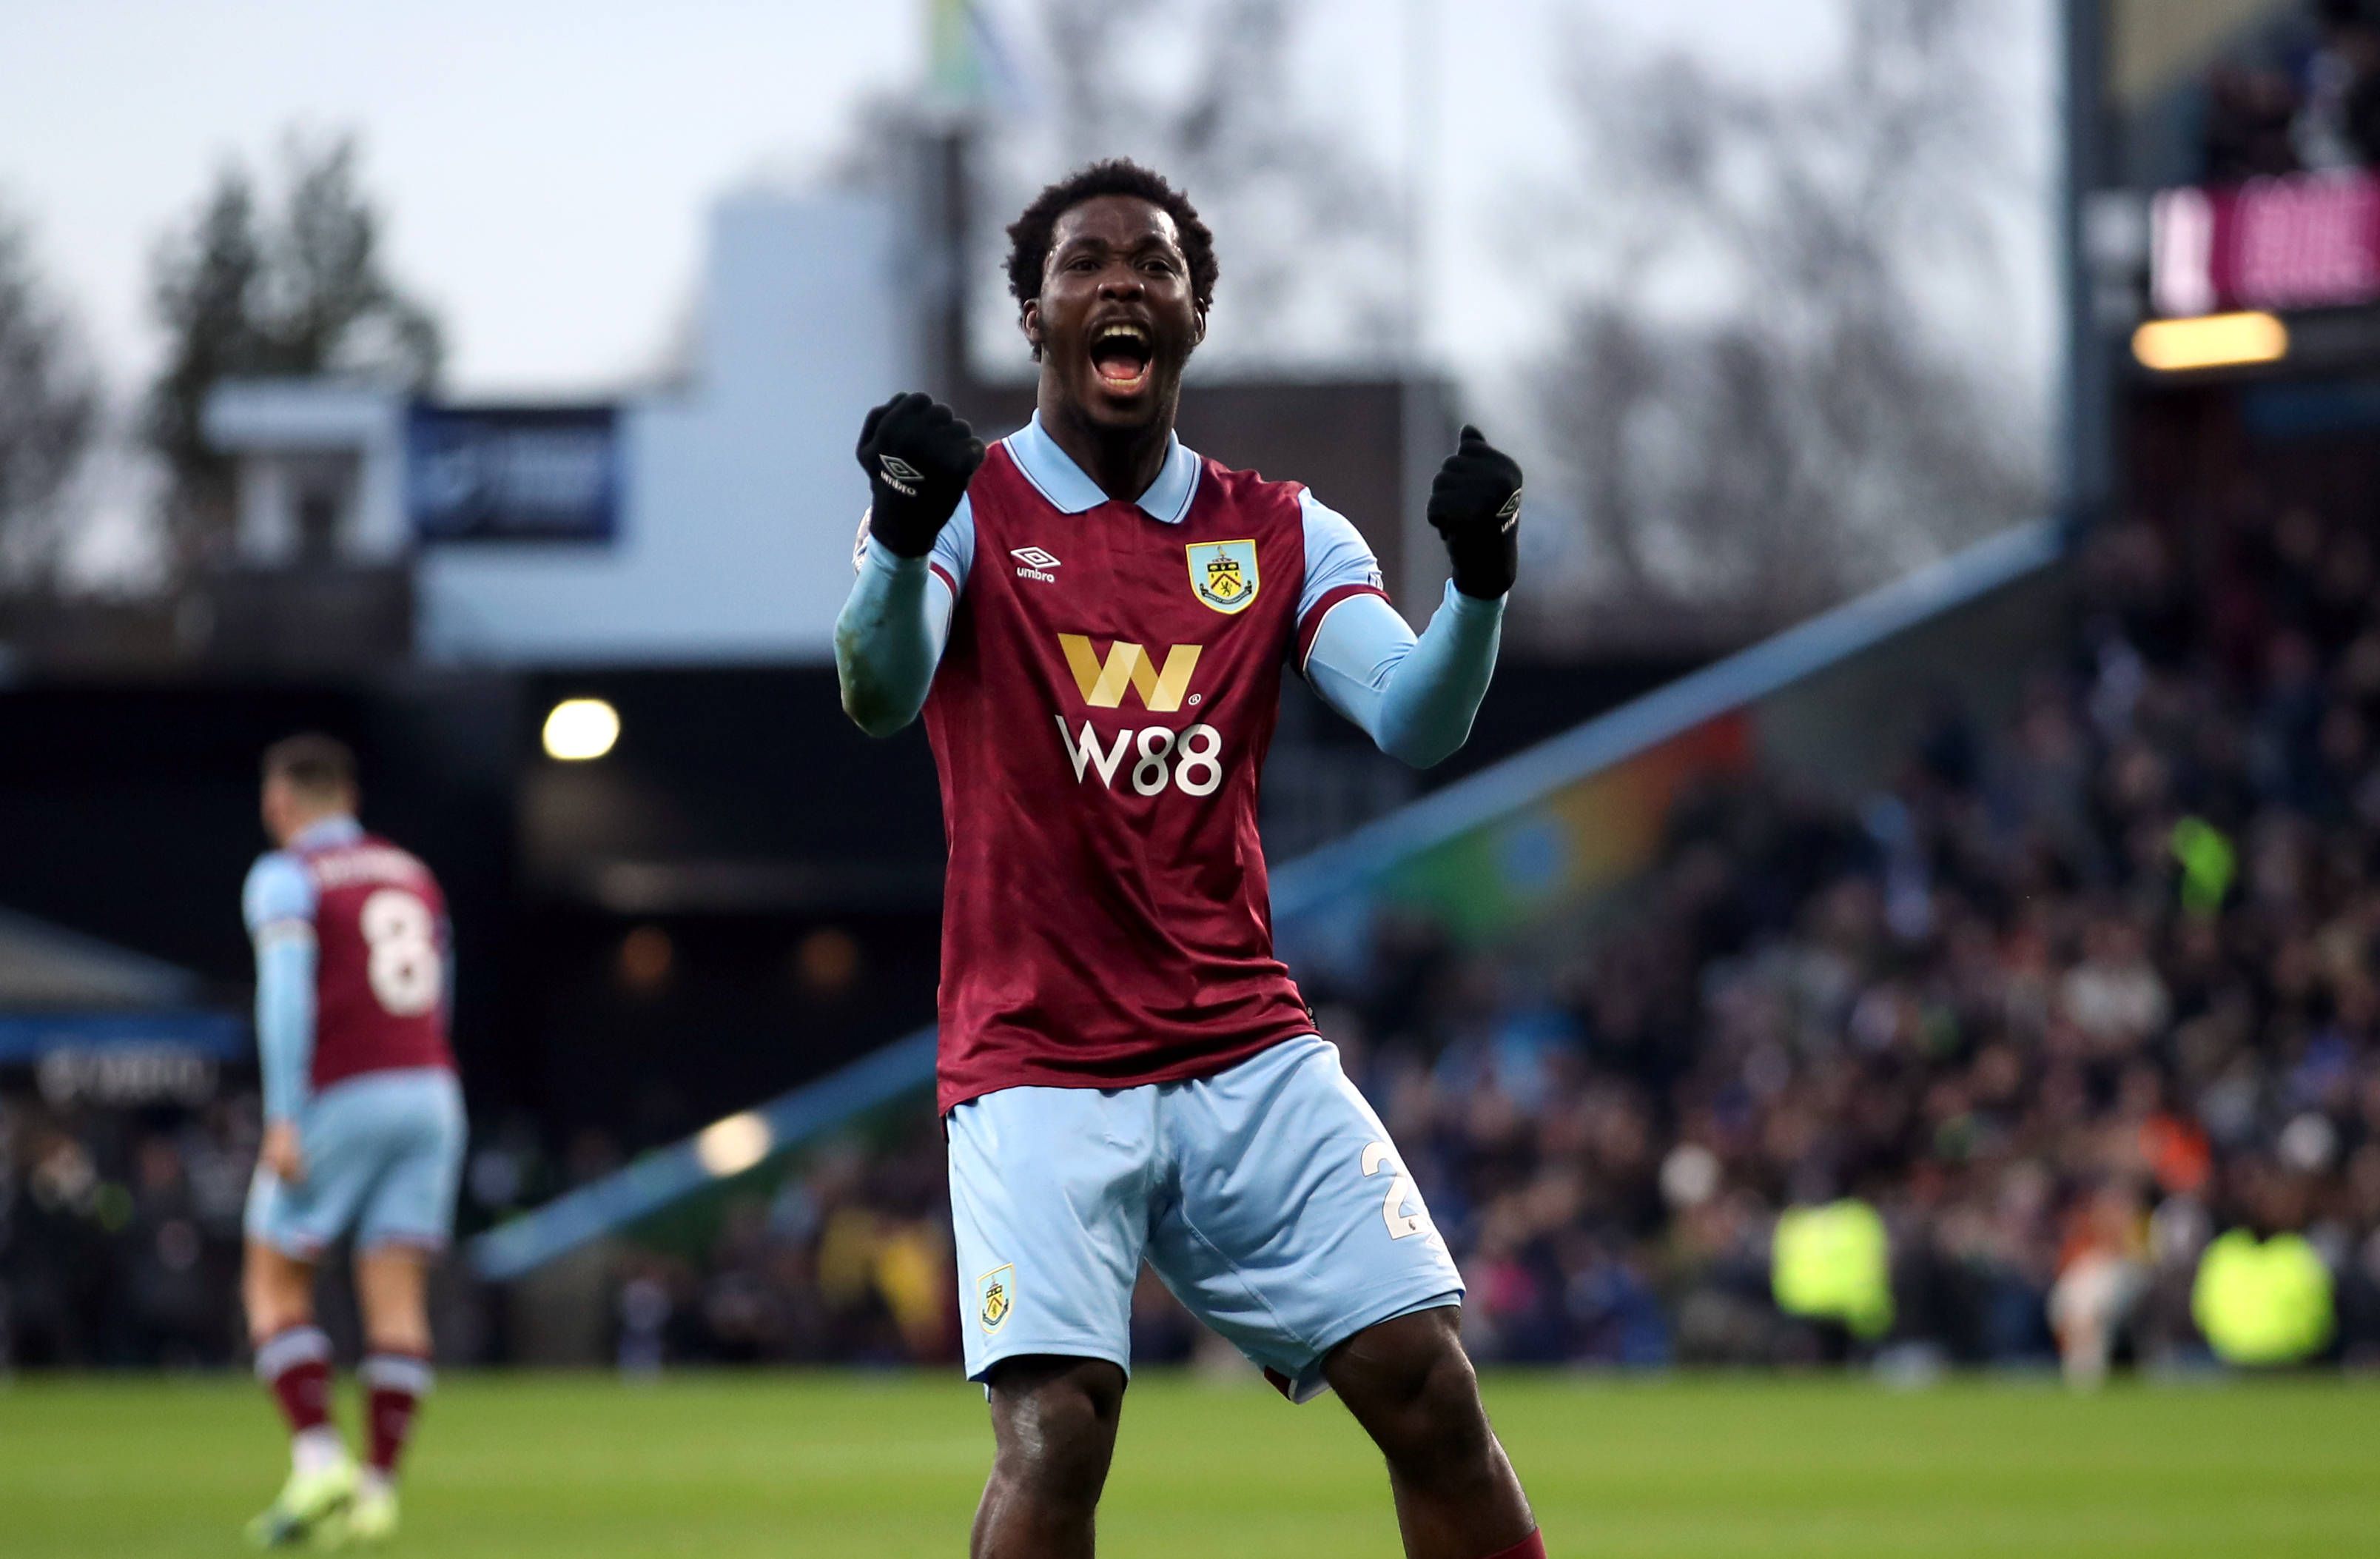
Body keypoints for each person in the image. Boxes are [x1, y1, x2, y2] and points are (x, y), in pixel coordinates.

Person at [835, 159, 1542, 1559]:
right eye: (1086, 264)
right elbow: (877, 688)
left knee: (1430, 1390)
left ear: (1196, 312)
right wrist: (897, 541)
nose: (1122, 284)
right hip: (1039, 1057)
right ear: (1032, 315)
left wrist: (1476, 589)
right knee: (1060, 1429)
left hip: (1242, 1047)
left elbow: (1415, 716)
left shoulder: (1278, 530)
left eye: (1154, 267)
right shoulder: (963, 503)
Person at [238, 734, 465, 1548]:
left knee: (272, 1280)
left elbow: (287, 995)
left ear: (280, 803)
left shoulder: (286, 876)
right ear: (351, 796)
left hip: (343, 1089)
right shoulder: (413, 874)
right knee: (397, 1300)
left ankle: (317, 1455)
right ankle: (378, 1493)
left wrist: (285, 1114)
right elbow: (443, 997)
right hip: (433, 1090)